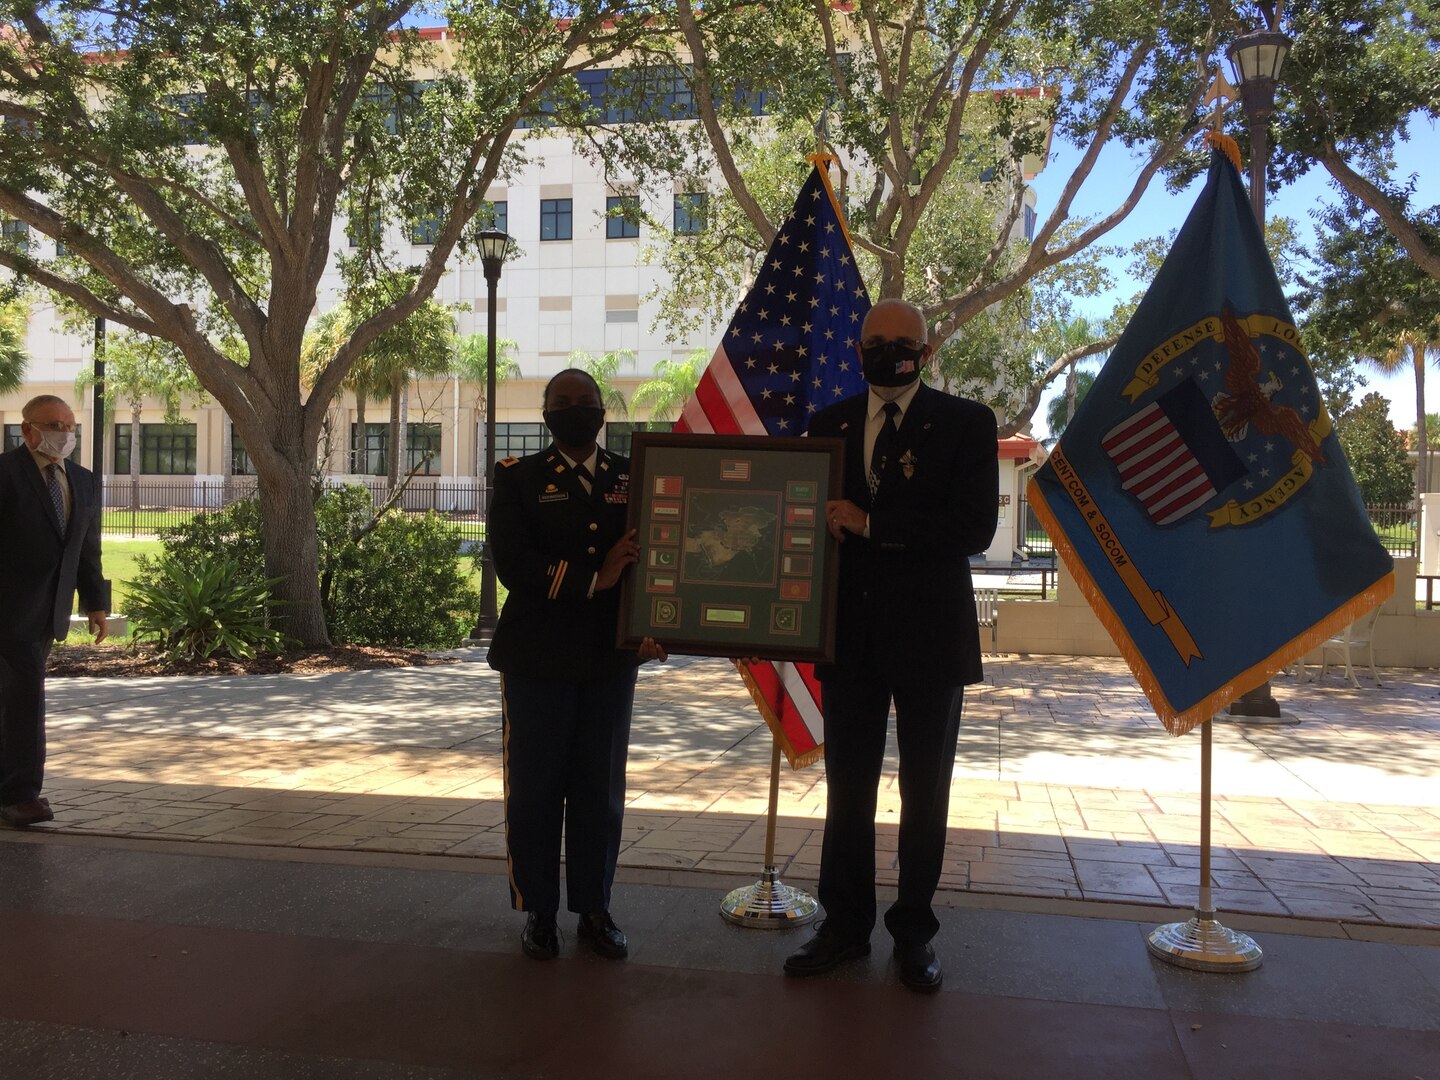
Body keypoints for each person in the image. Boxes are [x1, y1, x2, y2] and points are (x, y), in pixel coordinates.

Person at [785, 298, 998, 992]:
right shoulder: (829, 426)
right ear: (856, 352)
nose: (888, 352)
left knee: (923, 792)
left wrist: (874, 524)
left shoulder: (967, 423)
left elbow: (969, 528)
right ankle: (844, 927)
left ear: (926, 352)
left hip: (930, 641)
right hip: (847, 638)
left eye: (902, 342)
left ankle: (914, 933)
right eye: (875, 342)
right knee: (847, 792)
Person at [486, 368, 666, 962]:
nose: (574, 411)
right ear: (545, 416)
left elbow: (653, 560)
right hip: (537, 657)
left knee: (599, 790)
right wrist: (597, 577)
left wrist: (653, 623)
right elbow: (513, 562)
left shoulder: (630, 478)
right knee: (536, 789)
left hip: (608, 659)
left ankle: (594, 906)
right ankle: (538, 910)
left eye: (584, 402)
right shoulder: (518, 478)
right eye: (562, 403)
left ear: (601, 412)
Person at [0, 394, 110, 828]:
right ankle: (21, 796)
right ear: (27, 430)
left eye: (69, 426)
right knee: (25, 698)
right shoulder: (5, 474)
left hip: (50, 610)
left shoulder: (82, 480)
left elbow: (87, 548)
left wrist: (97, 603)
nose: (64, 434)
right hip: (8, 609)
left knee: (13, 700)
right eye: (54, 425)